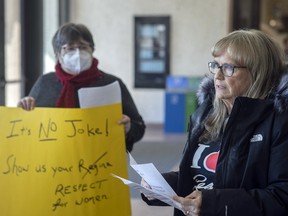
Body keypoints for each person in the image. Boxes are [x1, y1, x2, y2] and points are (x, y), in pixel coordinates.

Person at [141, 29, 288, 215]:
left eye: (229, 68)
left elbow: (282, 197)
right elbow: (200, 178)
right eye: (216, 65)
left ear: (257, 73)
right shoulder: (204, 116)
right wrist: (161, 186)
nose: (217, 76)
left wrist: (214, 204)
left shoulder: (279, 123)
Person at [17, 22, 145, 152]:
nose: (78, 53)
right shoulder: (45, 83)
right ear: (58, 53)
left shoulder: (111, 84)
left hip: (99, 162)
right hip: (51, 163)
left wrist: (128, 127)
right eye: (70, 48)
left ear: (92, 50)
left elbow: (139, 128)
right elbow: (27, 127)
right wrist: (24, 108)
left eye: (83, 47)